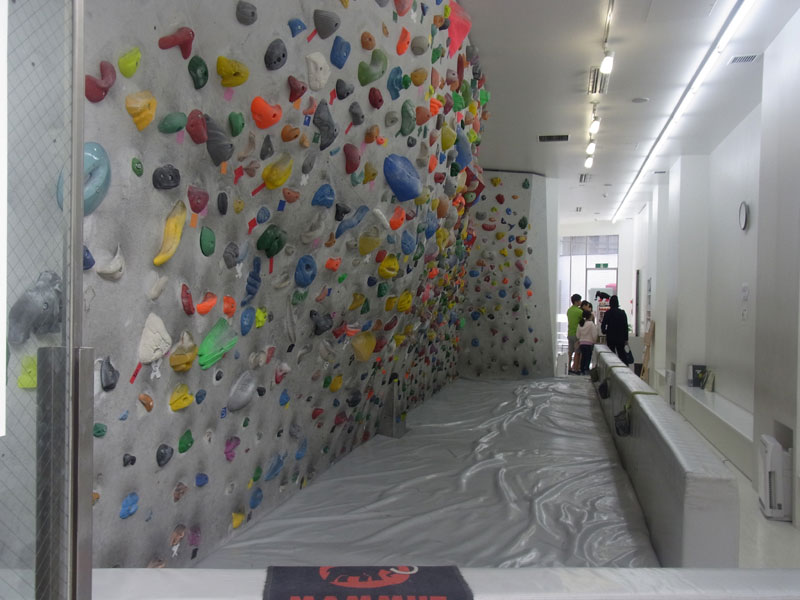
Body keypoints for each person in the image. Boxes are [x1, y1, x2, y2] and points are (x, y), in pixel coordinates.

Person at [601, 295, 629, 363]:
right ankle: (624, 367)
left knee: (611, 354)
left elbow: (603, 324)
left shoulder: (608, 313)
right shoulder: (622, 313)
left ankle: (612, 366)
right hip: (620, 337)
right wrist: (626, 338)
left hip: (610, 337)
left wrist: (605, 331)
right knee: (622, 354)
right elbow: (625, 326)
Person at [576, 309, 598, 375]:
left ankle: (582, 369)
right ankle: (586, 369)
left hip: (582, 343)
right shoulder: (591, 324)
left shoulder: (580, 323)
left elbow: (577, 335)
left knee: (583, 356)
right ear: (589, 316)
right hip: (589, 343)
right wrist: (594, 341)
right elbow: (594, 334)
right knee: (588, 357)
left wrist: (580, 339)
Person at [566, 294, 582, 374]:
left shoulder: (569, 310)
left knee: (570, 352)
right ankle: (575, 369)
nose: (580, 302)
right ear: (576, 301)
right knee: (577, 352)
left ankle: (568, 367)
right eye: (579, 300)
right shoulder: (580, 311)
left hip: (570, 333)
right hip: (577, 334)